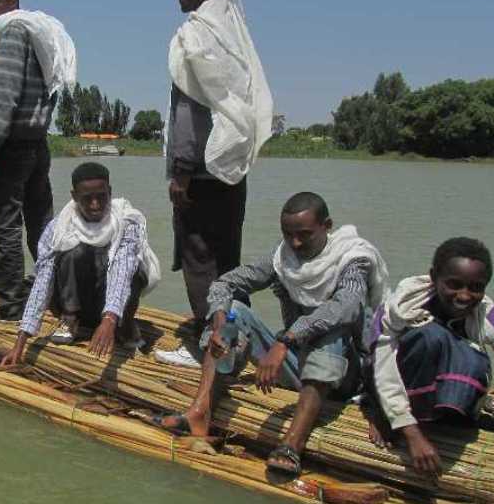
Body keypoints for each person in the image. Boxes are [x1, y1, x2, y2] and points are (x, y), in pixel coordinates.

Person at [157, 192, 388, 477]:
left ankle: (292, 444)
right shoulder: (283, 258)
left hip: (346, 376)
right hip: (299, 365)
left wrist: (286, 340)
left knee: (330, 330)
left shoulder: (353, 260)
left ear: (327, 226)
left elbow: (346, 308)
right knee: (235, 312)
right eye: (288, 235)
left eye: (304, 234)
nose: (295, 243)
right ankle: (199, 412)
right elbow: (226, 283)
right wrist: (219, 321)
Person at [155, 0, 274, 368]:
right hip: (230, 170)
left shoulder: (197, 33)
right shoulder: (233, 30)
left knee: (201, 261)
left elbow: (190, 111)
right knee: (228, 260)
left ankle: (207, 348)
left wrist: (182, 171)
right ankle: (235, 342)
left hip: (202, 172)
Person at [366, 237, 494, 476]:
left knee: (475, 359)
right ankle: (397, 417)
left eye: (476, 287)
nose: (464, 296)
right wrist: (409, 430)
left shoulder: (484, 311)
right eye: (454, 284)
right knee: (431, 336)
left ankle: (450, 418)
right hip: (398, 387)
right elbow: (380, 365)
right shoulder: (401, 306)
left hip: (448, 398)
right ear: (433, 277)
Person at [0, 0, 77, 322]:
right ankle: (62, 295)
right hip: (38, 143)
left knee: (6, 226)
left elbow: (4, 96)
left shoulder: (13, 33)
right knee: (41, 222)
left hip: (14, 145)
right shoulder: (40, 33)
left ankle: (10, 303)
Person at [0, 162, 161, 365]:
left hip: (110, 307)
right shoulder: (58, 228)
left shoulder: (127, 222)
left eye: (101, 196)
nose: (95, 205)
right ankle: (70, 320)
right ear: (74, 197)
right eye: (87, 199)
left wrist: (110, 319)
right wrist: (20, 342)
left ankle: (124, 324)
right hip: (75, 302)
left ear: (109, 192)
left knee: (135, 269)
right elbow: (43, 282)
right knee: (73, 252)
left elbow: (122, 271)